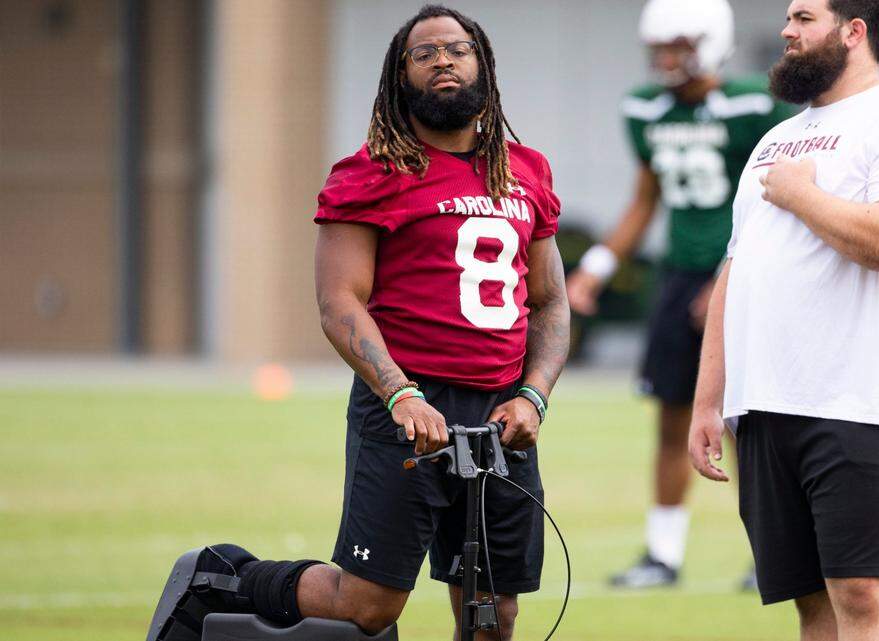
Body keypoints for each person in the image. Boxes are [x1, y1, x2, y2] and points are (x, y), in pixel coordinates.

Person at [147, 6, 568, 641]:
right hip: (407, 404)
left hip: (502, 413)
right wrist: (399, 393)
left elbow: (551, 301)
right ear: (400, 78)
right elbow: (339, 302)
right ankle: (219, 577)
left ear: (482, 64)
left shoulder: (524, 170)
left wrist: (535, 394)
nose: (443, 61)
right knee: (371, 605)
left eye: (457, 48)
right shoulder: (371, 173)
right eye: (423, 54)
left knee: (493, 612)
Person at [688, 0, 879, 639]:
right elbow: (737, 271)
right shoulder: (775, 140)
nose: (786, 31)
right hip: (762, 408)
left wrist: (804, 195)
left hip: (857, 399)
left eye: (804, 18)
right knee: (811, 603)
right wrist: (708, 402)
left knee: (861, 593)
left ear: (854, 31)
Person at [565, 0, 796, 589]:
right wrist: (595, 266)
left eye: (679, 45)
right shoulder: (645, 109)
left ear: (711, 41)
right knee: (671, 419)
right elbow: (645, 199)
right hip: (677, 277)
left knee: (750, 422)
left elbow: (774, 198)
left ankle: (769, 553)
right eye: (660, 47)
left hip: (744, 273)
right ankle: (662, 556)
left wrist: (731, 272)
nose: (667, 58)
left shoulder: (753, 106)